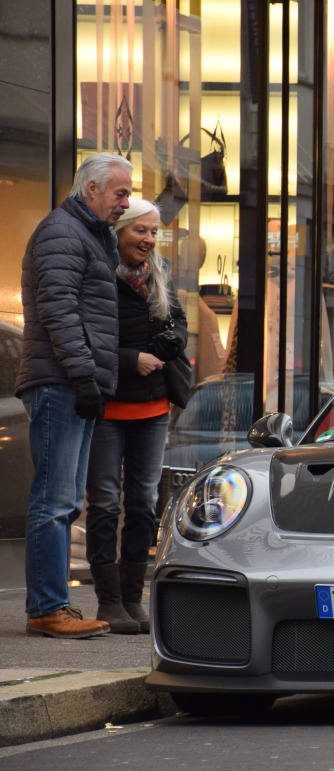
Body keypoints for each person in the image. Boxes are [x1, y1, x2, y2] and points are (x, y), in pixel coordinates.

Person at [18, 152, 132, 639]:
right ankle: (47, 607)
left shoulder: (86, 234)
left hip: (72, 379)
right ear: (91, 190)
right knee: (55, 498)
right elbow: (59, 310)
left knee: (64, 499)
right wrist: (83, 375)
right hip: (61, 381)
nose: (125, 203)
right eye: (120, 192)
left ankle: (52, 604)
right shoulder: (63, 232)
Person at [85, 199, 188, 634]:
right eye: (139, 231)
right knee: (106, 501)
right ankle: (108, 601)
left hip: (153, 405)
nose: (148, 240)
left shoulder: (159, 275)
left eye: (153, 232)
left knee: (144, 502)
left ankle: (132, 598)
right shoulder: (98, 273)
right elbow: (87, 338)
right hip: (109, 404)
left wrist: (163, 349)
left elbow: (178, 326)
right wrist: (133, 360)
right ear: (119, 232)